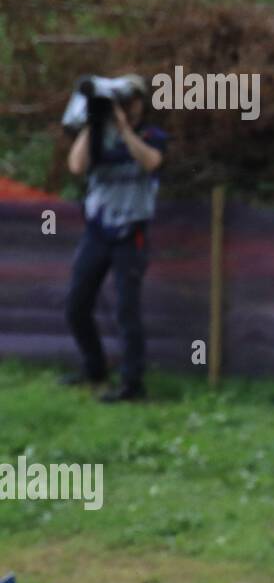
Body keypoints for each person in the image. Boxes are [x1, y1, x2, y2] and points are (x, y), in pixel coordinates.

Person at [63, 74, 167, 402]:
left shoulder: (153, 135)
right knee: (76, 306)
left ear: (140, 103)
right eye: (122, 101)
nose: (127, 106)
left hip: (131, 233)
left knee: (126, 311)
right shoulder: (97, 137)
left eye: (132, 100)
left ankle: (132, 384)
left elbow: (151, 162)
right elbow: (77, 166)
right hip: (97, 232)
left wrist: (123, 130)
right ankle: (94, 368)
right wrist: (94, 123)